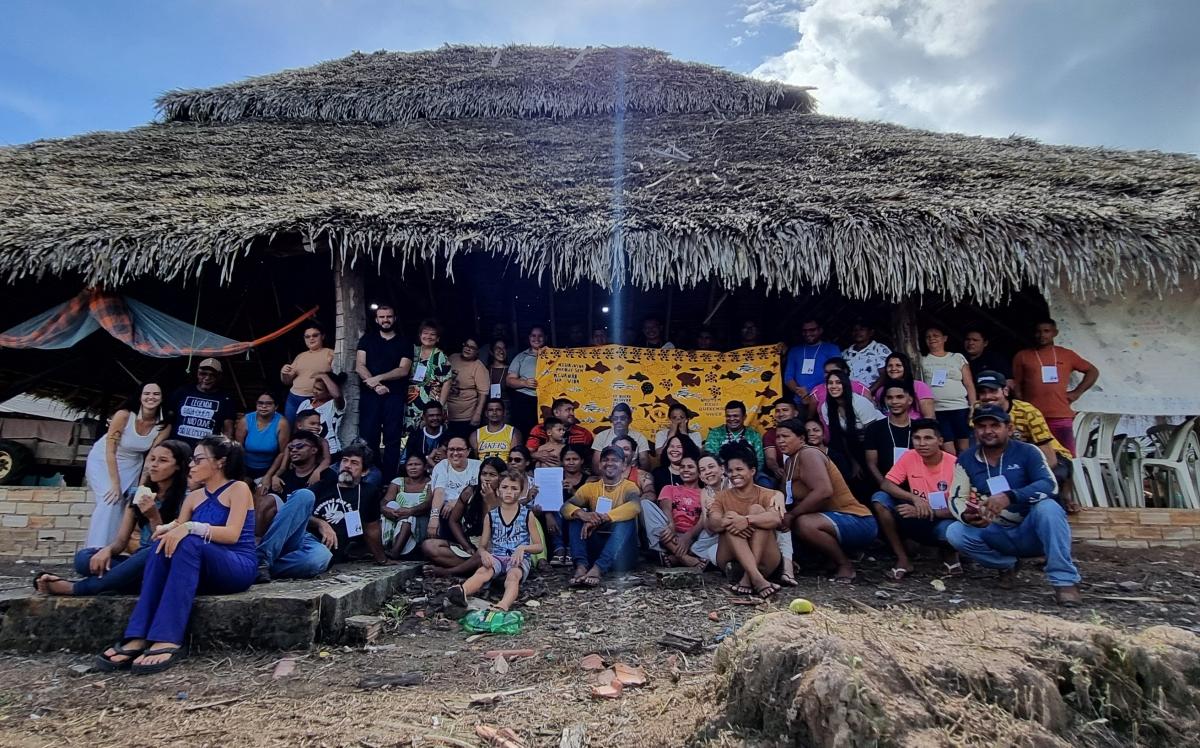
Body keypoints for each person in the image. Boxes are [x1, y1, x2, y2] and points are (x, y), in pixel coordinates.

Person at [94, 436, 256, 674]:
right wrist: (167, 529)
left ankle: (168, 636)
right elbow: (178, 526)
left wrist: (190, 527)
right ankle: (138, 634)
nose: (192, 465)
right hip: (200, 565)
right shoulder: (194, 497)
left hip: (236, 564)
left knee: (188, 541)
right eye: (192, 460)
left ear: (220, 462)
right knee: (163, 542)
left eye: (198, 460)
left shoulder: (238, 489)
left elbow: (232, 534)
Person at [945, 405, 1082, 606]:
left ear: (1009, 429)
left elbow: (1049, 485)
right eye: (981, 426)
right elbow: (956, 497)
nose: (988, 431)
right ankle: (1007, 564)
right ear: (975, 431)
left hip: (1032, 529)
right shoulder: (967, 458)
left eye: (995, 425)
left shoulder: (1028, 451)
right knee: (955, 532)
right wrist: (967, 516)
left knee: (1049, 508)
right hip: (996, 528)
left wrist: (1011, 496)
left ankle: (1064, 582)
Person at [36, 440, 190, 597]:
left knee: (149, 553)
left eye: (163, 460)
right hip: (137, 562)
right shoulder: (139, 494)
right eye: (152, 459)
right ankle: (126, 582)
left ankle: (75, 588)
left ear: (178, 466)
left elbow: (164, 545)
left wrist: (153, 517)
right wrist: (107, 550)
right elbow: (121, 541)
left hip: (163, 560)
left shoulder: (187, 500)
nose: (154, 465)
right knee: (83, 559)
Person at [776, 418, 878, 584]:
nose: (780, 441)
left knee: (803, 523)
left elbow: (823, 491)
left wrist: (792, 515)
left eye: (785, 436)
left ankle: (845, 565)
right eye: (778, 437)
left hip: (856, 519)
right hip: (827, 518)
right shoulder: (789, 461)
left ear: (801, 438)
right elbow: (784, 496)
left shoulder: (809, 454)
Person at [871, 419, 961, 580]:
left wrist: (928, 511)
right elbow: (886, 484)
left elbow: (961, 508)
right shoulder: (909, 456)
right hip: (916, 512)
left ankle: (950, 554)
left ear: (940, 441)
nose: (922, 443)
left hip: (943, 517)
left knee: (951, 531)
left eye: (928, 438)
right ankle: (903, 558)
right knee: (880, 499)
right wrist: (914, 498)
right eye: (917, 438)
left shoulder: (956, 465)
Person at [975, 370, 1077, 512]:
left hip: (1049, 455)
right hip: (1009, 458)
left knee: (1048, 483)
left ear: (1005, 391)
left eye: (993, 391)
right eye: (982, 392)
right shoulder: (977, 411)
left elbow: (1050, 457)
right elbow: (980, 448)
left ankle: (1056, 509)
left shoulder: (1027, 411)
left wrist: (1026, 477)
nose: (987, 397)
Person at [85, 383, 171, 549]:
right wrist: (115, 484)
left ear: (162, 398)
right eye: (147, 393)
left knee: (126, 505)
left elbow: (150, 457)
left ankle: (112, 549)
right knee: (109, 501)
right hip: (104, 459)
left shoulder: (164, 425)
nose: (151, 397)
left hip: (133, 463)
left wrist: (141, 487)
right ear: (140, 396)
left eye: (156, 394)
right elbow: (110, 450)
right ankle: (94, 549)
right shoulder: (124, 415)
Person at [446, 467, 543, 611]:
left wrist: (523, 548)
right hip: (497, 557)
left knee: (513, 576)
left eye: (514, 488)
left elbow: (539, 546)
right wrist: (484, 553)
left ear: (521, 492)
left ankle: (503, 605)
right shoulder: (491, 516)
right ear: (497, 491)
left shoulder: (527, 515)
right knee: (483, 572)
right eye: (505, 487)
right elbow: (482, 546)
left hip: (517, 560)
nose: (509, 491)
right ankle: (461, 591)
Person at [707, 443, 784, 598]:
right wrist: (729, 521)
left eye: (739, 469)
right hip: (731, 558)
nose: (734, 474)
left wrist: (747, 520)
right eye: (730, 471)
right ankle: (756, 578)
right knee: (730, 516)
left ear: (752, 471)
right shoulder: (721, 497)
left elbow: (776, 519)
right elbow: (713, 523)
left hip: (766, 560)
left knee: (757, 510)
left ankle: (749, 577)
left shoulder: (768, 494)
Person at [1011, 319, 1098, 455]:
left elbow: (1092, 371)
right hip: (1032, 418)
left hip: (1060, 416)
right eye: (1038, 332)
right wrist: (1023, 405)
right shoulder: (1022, 356)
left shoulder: (1067, 354)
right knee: (1034, 456)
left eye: (1046, 331)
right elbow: (1016, 384)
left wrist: (1076, 393)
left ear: (1055, 333)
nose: (1042, 335)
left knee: (1067, 455)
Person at [301, 443, 388, 571]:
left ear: (364, 471)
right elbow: (297, 514)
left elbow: (371, 529)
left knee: (318, 560)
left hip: (325, 551)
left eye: (354, 463)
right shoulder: (323, 486)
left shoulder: (368, 492)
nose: (347, 465)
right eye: (344, 460)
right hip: (305, 537)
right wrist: (320, 523)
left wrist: (382, 559)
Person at [564, 446, 642, 588]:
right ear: (600, 465)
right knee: (575, 517)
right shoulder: (590, 488)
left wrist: (603, 518)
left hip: (622, 555)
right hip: (595, 551)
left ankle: (598, 569)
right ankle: (581, 567)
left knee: (627, 521)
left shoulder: (630, 487)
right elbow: (565, 507)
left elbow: (635, 506)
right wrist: (583, 514)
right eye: (605, 460)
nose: (610, 463)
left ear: (624, 466)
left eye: (615, 460)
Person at [356, 305, 413, 479]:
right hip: (370, 396)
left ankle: (390, 480)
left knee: (392, 438)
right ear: (376, 319)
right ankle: (371, 477)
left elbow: (403, 370)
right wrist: (375, 386)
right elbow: (359, 366)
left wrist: (378, 378)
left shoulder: (404, 342)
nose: (385, 320)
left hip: (394, 396)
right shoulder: (367, 339)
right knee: (368, 437)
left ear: (394, 318)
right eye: (382, 317)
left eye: (389, 316)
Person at [422, 456, 503, 575]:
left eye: (492, 475)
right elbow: (453, 521)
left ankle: (449, 571)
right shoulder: (469, 492)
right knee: (429, 546)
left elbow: (494, 529)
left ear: (501, 478)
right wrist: (466, 546)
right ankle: (471, 567)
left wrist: (490, 501)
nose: (487, 479)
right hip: (472, 545)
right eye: (484, 474)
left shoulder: (506, 496)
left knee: (486, 554)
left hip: (495, 547)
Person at [820, 371, 883, 489]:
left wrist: (868, 464)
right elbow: (840, 436)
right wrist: (854, 462)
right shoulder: (826, 407)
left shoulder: (860, 402)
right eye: (830, 383)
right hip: (854, 443)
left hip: (877, 442)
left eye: (838, 382)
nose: (834, 386)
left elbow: (873, 435)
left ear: (845, 384)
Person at [641, 454, 705, 568]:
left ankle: (674, 557)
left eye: (690, 467)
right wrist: (671, 525)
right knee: (645, 504)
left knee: (712, 526)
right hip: (669, 534)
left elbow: (704, 519)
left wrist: (688, 536)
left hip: (694, 537)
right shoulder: (670, 488)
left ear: (699, 472)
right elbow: (665, 507)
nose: (685, 469)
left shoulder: (704, 493)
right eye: (682, 466)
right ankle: (684, 557)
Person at [921, 326, 976, 454]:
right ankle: (952, 468)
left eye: (935, 335)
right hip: (937, 410)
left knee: (964, 447)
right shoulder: (922, 360)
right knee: (947, 448)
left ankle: (965, 467)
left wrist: (973, 406)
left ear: (945, 338)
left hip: (960, 407)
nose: (932, 338)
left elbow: (969, 383)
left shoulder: (957, 357)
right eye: (928, 337)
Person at [425, 436, 481, 544]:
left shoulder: (478, 466)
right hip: (445, 512)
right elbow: (439, 491)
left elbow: (478, 491)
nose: (455, 453)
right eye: (451, 449)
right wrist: (434, 518)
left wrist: (457, 502)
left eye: (459, 449)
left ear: (468, 451)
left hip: (471, 510)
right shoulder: (442, 466)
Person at [169, 359, 234, 446]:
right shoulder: (182, 391)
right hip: (178, 447)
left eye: (212, 375)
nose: (207, 378)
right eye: (203, 374)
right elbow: (168, 419)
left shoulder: (225, 398)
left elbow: (228, 429)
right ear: (197, 374)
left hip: (206, 450)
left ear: (219, 376)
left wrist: (226, 448)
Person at [863, 385, 916, 491]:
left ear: (910, 400)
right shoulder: (874, 429)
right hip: (885, 487)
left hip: (917, 487)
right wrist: (886, 487)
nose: (894, 401)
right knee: (879, 499)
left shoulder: (919, 428)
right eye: (889, 397)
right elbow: (871, 464)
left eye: (900, 397)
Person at [279, 323, 334, 424]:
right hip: (294, 397)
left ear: (322, 336)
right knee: (289, 426)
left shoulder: (330, 353)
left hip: (315, 399)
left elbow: (337, 380)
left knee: (311, 429)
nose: (311, 338)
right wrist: (283, 373)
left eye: (315, 335)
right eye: (307, 336)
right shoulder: (300, 356)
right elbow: (287, 382)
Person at [381, 454, 432, 559]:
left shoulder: (431, 483)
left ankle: (395, 551)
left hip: (420, 521)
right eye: (410, 465)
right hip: (397, 518)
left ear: (425, 467)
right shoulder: (398, 482)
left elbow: (428, 504)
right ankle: (385, 546)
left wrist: (410, 511)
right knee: (391, 505)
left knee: (408, 519)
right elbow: (385, 501)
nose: (413, 467)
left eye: (417, 464)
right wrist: (387, 510)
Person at [406, 319, 453, 431]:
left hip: (433, 402)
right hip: (412, 400)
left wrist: (440, 406)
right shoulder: (412, 351)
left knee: (432, 432)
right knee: (411, 433)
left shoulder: (440, 356)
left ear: (438, 338)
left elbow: (447, 382)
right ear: (420, 335)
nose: (428, 336)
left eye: (433, 334)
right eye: (425, 333)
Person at [784, 319, 840, 406]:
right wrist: (802, 394)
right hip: (800, 400)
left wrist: (811, 393)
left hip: (825, 399)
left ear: (820, 330)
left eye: (812, 330)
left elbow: (836, 374)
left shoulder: (831, 349)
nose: (808, 334)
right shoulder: (794, 351)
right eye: (804, 331)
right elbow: (788, 377)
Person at [235, 391, 289, 481]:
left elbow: (282, 452)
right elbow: (238, 447)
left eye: (269, 404)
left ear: (276, 406)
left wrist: (268, 476)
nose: (264, 406)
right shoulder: (245, 420)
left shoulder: (282, 423)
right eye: (260, 403)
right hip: (244, 467)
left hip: (269, 468)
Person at [446, 336, 490, 440]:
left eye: (472, 348)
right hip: (447, 414)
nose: (468, 349)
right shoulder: (452, 358)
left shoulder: (478, 367)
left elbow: (483, 394)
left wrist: (477, 414)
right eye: (466, 345)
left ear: (477, 352)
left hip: (466, 416)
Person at [505, 326, 547, 436]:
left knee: (546, 432)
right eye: (533, 335)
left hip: (547, 400)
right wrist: (524, 383)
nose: (536, 338)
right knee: (524, 432)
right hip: (525, 400)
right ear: (529, 338)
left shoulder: (554, 355)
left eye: (540, 336)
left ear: (545, 337)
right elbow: (509, 381)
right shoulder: (521, 357)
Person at [294, 372, 345, 460]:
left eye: (319, 389)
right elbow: (297, 427)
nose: (314, 391)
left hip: (330, 452)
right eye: (314, 387)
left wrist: (324, 376)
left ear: (329, 393)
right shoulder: (305, 403)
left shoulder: (334, 405)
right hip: (306, 452)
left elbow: (337, 395)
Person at [703, 401, 766, 470]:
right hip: (721, 474)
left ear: (744, 417)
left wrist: (750, 474)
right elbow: (710, 458)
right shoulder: (715, 433)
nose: (732, 419)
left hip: (748, 474)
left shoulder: (753, 434)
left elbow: (760, 460)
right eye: (728, 416)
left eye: (735, 416)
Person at [873, 352, 937, 420]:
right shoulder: (881, 391)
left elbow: (929, 417)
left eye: (898, 365)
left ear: (905, 367)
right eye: (890, 366)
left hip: (916, 425)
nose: (893, 368)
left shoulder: (919, 386)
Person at [591, 403, 651, 472]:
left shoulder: (640, 437)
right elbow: (596, 464)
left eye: (623, 418)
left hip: (632, 474)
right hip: (607, 474)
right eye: (615, 418)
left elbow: (644, 462)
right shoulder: (601, 436)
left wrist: (635, 476)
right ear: (612, 420)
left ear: (630, 420)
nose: (618, 421)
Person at [806, 357, 873, 418]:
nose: (829, 375)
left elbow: (871, 411)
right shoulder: (817, 391)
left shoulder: (860, 388)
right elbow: (810, 417)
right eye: (826, 372)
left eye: (834, 371)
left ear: (845, 371)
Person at [527, 398, 594, 451]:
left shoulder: (583, 433)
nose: (572, 413)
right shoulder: (540, 429)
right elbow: (529, 452)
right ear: (556, 412)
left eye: (573, 410)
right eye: (568, 410)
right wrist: (535, 455)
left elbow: (590, 458)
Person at [402, 400, 450, 471]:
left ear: (443, 416)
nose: (435, 418)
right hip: (420, 475)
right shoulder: (415, 436)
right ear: (424, 417)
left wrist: (447, 458)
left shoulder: (449, 435)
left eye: (438, 415)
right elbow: (404, 461)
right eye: (431, 415)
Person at [842, 320, 891, 388]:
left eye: (862, 329)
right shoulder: (845, 353)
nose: (858, 332)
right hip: (850, 393)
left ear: (871, 332)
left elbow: (885, 374)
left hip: (875, 392)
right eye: (855, 330)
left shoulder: (879, 349)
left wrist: (869, 392)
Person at [764, 398, 799, 484]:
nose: (781, 414)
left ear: (795, 413)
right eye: (777, 411)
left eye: (785, 410)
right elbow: (770, 458)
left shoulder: (804, 431)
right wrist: (776, 469)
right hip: (779, 476)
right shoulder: (769, 434)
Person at [487, 339, 510, 405]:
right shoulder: (485, 370)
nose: (501, 351)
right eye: (497, 348)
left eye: (504, 348)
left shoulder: (512, 370)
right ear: (491, 352)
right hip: (489, 407)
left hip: (506, 407)